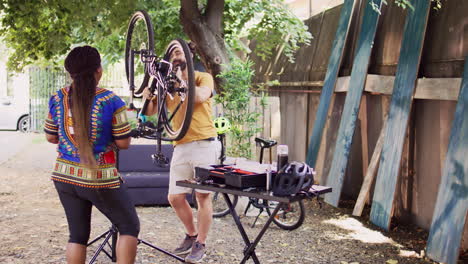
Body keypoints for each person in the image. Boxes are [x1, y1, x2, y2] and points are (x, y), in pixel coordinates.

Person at [44, 46, 140, 264]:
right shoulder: (112, 101)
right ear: (99, 70)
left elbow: (51, 137)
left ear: (70, 73)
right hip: (99, 177)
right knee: (128, 226)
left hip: (64, 176)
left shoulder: (57, 97)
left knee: (77, 235)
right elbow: (123, 143)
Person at [142, 40, 219, 263]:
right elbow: (151, 112)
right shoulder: (166, 84)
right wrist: (148, 95)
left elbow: (201, 96)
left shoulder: (202, 77)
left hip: (204, 141)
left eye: (180, 52)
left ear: (189, 56)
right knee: (175, 197)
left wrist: (180, 83)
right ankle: (191, 234)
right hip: (181, 143)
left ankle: (201, 244)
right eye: (173, 52)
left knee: (203, 196)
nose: (176, 55)